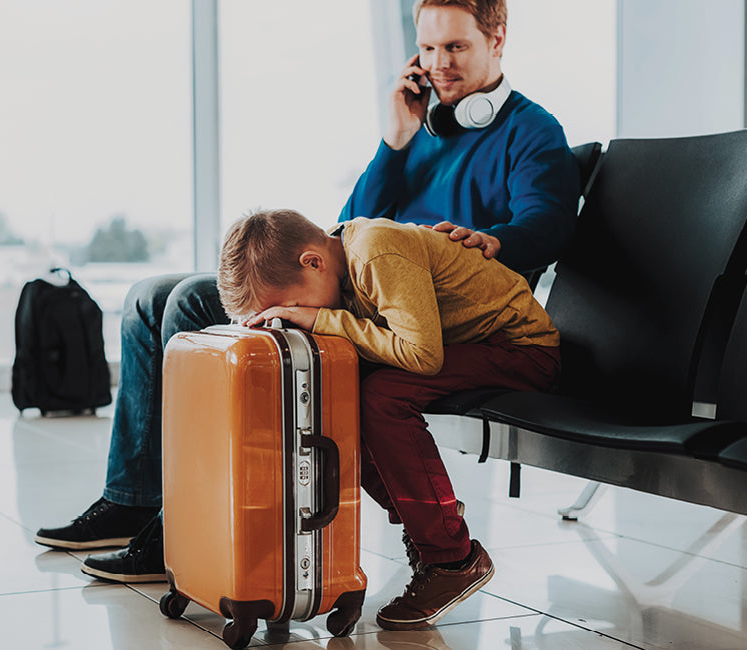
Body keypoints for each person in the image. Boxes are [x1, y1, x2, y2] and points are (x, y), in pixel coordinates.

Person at [34, 0, 578, 586]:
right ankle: (135, 499)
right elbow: (346, 229)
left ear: (498, 39)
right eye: (426, 49)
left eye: (455, 47)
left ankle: (179, 522)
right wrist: (394, 145)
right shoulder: (419, 130)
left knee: (190, 302)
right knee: (150, 298)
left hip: (433, 312)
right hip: (358, 290)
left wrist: (491, 240)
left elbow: (546, 228)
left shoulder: (532, 131)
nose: (437, 64)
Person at [217, 207, 561, 629]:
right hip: (470, 344)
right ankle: (428, 520)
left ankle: (453, 559)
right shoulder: (337, 262)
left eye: (292, 306)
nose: (295, 315)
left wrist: (323, 319)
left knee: (382, 397)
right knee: (336, 397)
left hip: (522, 348)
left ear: (313, 262)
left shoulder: (376, 252)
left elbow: (422, 355)